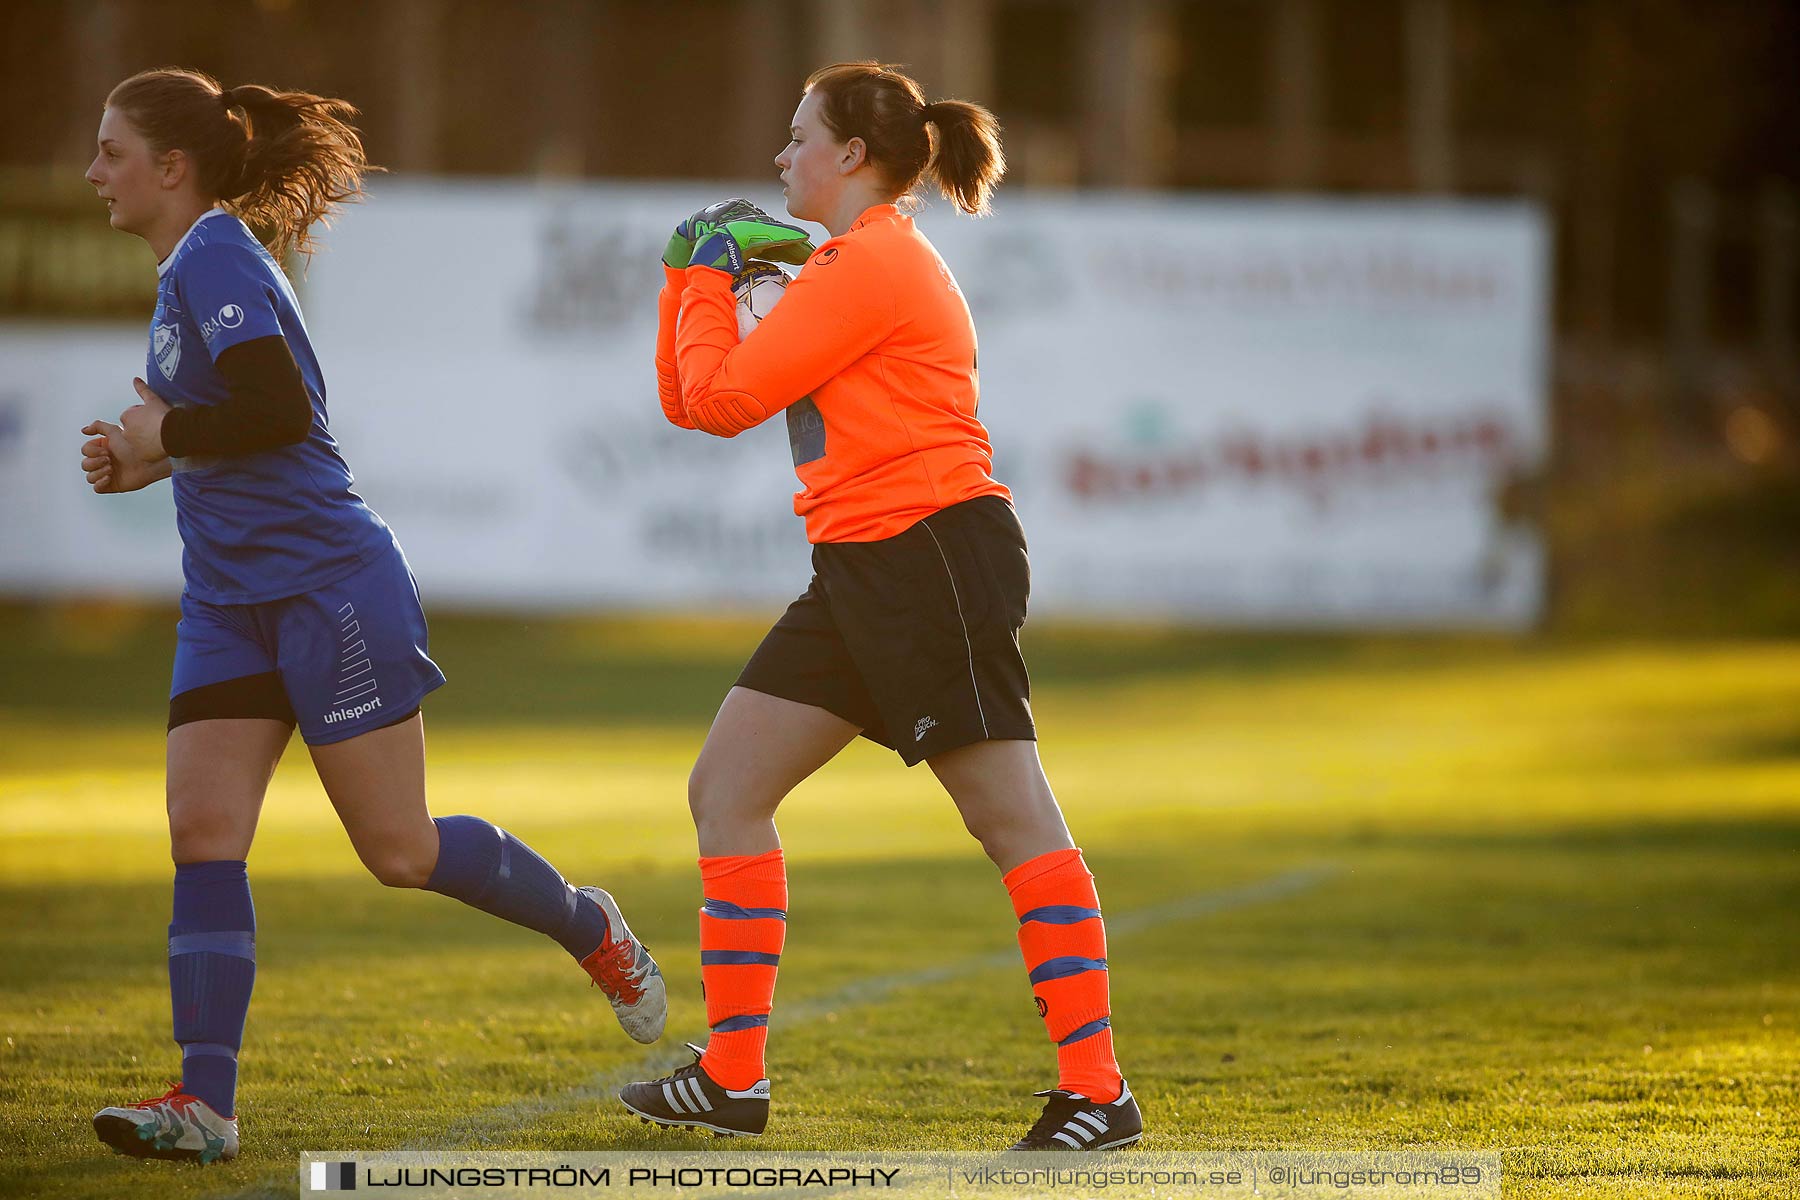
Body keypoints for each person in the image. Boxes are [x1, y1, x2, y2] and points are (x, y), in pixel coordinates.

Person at [77, 68, 665, 1165]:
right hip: (227, 601)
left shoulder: (210, 255)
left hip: (329, 587)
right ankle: (206, 1107)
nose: (92, 171)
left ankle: (593, 927)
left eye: (111, 151)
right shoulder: (185, 270)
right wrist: (147, 462)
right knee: (203, 834)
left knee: (399, 850)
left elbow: (281, 408)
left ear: (172, 167)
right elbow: (234, 427)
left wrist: (166, 439)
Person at [617, 62, 1143, 1151]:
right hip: (865, 564)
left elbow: (721, 400)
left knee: (1013, 824)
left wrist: (713, 278)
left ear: (853, 156)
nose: (781, 158)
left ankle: (1100, 1093)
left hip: (931, 558)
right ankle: (732, 1077)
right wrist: (690, 275)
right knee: (727, 789)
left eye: (799, 136)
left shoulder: (872, 261)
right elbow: (687, 397)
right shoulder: (841, 262)